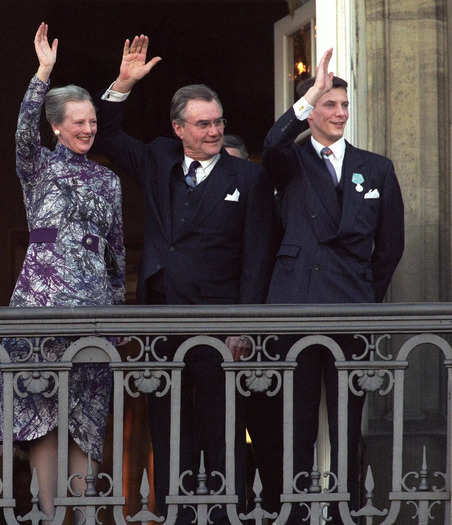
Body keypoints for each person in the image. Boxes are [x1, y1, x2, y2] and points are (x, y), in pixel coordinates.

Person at [93, 35, 277, 524]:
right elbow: (107, 136)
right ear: (179, 128)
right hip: (163, 319)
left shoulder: (249, 179)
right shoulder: (157, 159)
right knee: (169, 428)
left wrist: (245, 325)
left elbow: (257, 257)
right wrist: (123, 84)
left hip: (221, 322)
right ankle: (175, 515)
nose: (214, 131)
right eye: (203, 124)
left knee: (222, 429)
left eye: (218, 122)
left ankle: (226, 516)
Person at [0, 23, 125, 523]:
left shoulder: (108, 179)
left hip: (92, 309)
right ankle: (48, 513)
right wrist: (42, 73)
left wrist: (119, 317)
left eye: (91, 122)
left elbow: (117, 254)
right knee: (42, 415)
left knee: (85, 415)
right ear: (57, 127)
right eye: (78, 122)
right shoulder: (36, 165)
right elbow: (22, 129)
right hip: (40, 304)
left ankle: (82, 514)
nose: (87, 129)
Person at [263, 49, 404, 524]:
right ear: (313, 111)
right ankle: (297, 513)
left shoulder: (376, 168)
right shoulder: (292, 162)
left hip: (351, 306)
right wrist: (305, 97)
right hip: (297, 305)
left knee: (348, 419)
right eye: (330, 104)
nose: (340, 113)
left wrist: (365, 292)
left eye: (344, 105)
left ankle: (348, 512)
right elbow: (271, 144)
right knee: (297, 422)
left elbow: (390, 246)